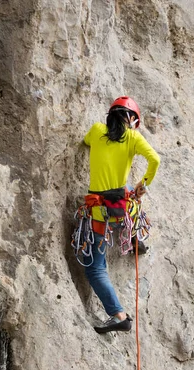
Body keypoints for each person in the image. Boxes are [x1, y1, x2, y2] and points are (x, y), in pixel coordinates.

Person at [83, 96, 160, 333]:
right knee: (130, 192)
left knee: (95, 268)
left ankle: (118, 315)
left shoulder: (97, 130)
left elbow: (86, 142)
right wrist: (143, 184)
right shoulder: (133, 137)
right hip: (122, 210)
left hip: (99, 212)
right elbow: (155, 159)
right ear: (131, 120)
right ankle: (135, 236)